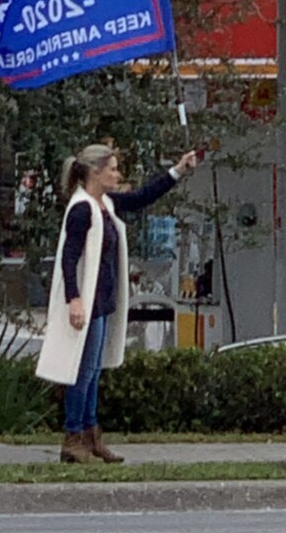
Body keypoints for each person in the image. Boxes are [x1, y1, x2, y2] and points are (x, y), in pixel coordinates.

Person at [35, 143, 199, 464]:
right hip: (89, 302)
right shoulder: (83, 208)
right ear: (95, 173)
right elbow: (69, 258)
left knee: (94, 371)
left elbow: (141, 198)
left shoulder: (104, 204)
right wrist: (74, 299)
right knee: (82, 372)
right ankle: (73, 436)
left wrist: (177, 171)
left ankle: (90, 434)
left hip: (102, 300)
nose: (116, 174)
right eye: (111, 168)